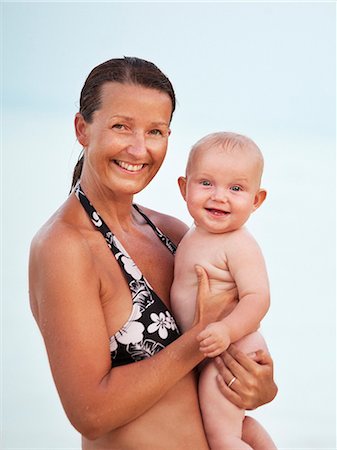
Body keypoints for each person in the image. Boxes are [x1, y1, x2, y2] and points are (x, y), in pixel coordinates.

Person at [29, 57, 277, 450]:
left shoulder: (173, 233)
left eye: (155, 131)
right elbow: (90, 413)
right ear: (82, 129)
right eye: (121, 126)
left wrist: (259, 386)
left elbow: (230, 344)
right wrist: (195, 342)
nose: (139, 148)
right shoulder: (65, 247)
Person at [171, 132, 277, 449]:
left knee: (221, 437)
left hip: (234, 349)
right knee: (235, 426)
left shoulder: (239, 244)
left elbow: (258, 298)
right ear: (183, 188)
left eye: (236, 188)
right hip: (215, 348)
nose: (220, 196)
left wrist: (226, 330)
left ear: (256, 200)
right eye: (206, 183)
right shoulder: (190, 233)